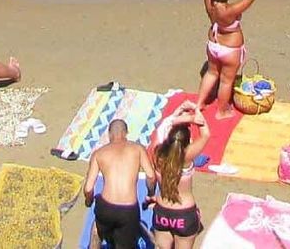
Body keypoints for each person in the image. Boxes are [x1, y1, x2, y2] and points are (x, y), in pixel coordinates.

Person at [84, 118, 156, 249]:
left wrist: (88, 201)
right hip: (128, 210)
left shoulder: (99, 153)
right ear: (126, 133)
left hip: (106, 206)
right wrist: (150, 194)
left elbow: (88, 188)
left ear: (109, 134)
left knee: (97, 230)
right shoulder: (138, 149)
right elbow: (151, 176)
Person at [198, 0, 260, 121]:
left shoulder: (209, 1)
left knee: (211, 73)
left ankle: (199, 104)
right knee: (226, 80)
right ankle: (221, 111)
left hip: (213, 43)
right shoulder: (230, 10)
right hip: (230, 49)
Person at [150, 101, 209, 248]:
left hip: (162, 212)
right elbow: (206, 133)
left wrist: (182, 114)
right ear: (188, 141)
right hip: (184, 213)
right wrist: (195, 112)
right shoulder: (187, 157)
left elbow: (164, 125)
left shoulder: (157, 153)